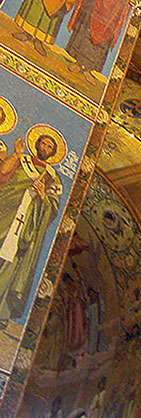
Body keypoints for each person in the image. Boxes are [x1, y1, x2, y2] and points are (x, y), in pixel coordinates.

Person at [0, 127, 64, 323]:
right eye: (43, 143)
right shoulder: (23, 160)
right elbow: (3, 175)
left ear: (53, 152)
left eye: (49, 146)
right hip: (6, 214)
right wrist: (16, 154)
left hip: (26, 226)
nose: (45, 147)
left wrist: (43, 197)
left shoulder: (53, 177)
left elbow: (53, 207)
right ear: (37, 144)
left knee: (11, 265)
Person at [65, 0, 130, 80]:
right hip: (93, 10)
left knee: (100, 45)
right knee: (85, 36)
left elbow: (126, 1)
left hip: (108, 20)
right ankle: (78, 64)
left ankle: (89, 70)